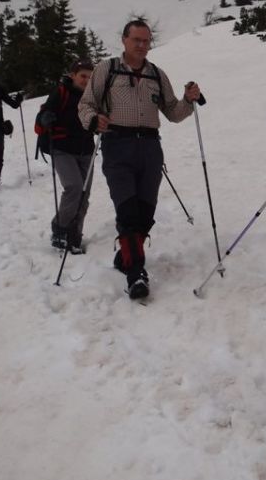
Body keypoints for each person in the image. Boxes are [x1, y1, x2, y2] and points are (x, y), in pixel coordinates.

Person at [78, 19, 201, 299]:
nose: (143, 46)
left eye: (146, 41)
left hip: (149, 147)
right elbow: (85, 104)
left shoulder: (157, 74)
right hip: (117, 144)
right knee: (128, 210)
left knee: (146, 212)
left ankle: (127, 256)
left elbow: (173, 111)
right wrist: (93, 120)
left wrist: (188, 100)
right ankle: (136, 274)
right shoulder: (106, 70)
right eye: (137, 40)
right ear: (124, 40)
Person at [38, 60, 97, 254]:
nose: (86, 80)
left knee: (84, 195)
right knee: (74, 187)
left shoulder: (94, 96)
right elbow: (43, 115)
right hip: (62, 149)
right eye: (83, 76)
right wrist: (45, 118)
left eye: (90, 77)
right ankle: (60, 229)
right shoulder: (61, 92)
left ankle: (74, 235)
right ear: (73, 75)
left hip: (86, 149)